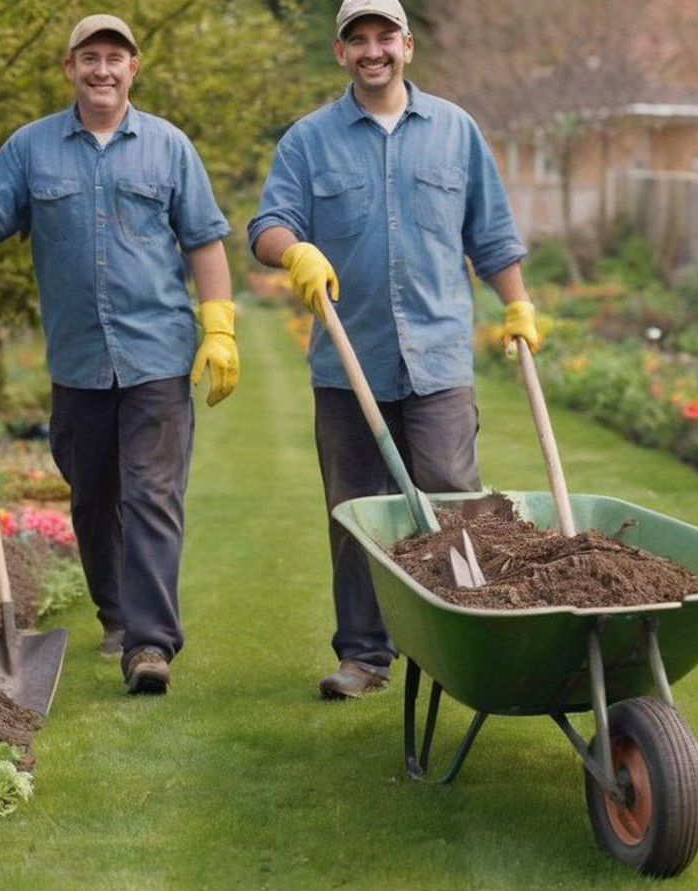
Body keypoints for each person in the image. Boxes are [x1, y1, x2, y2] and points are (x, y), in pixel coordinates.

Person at [0, 14, 238, 695]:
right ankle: (118, 618)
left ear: (134, 68)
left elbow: (205, 242)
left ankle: (151, 643)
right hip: (78, 363)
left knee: (152, 495)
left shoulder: (169, 147)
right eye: (89, 57)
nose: (102, 69)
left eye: (114, 58)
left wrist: (219, 327)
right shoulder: (31, 149)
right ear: (70, 68)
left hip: (156, 353)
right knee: (94, 500)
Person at [248, 0, 542, 700]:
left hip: (438, 362)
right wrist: (297, 252)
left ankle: (463, 640)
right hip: (350, 364)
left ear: (407, 46)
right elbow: (267, 225)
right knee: (357, 515)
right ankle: (364, 658)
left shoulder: (455, 132)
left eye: (386, 37)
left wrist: (519, 305)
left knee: (453, 504)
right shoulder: (309, 141)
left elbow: (493, 235)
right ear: (340, 53)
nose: (373, 50)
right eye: (359, 40)